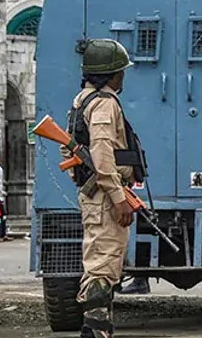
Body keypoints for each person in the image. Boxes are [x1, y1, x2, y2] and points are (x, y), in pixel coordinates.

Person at [63, 39, 140, 338]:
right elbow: (104, 152)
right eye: (120, 71)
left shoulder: (82, 100)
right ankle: (96, 332)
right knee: (102, 267)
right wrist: (119, 197)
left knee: (101, 263)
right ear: (110, 74)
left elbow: (69, 150)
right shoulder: (104, 104)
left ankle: (98, 329)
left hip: (97, 193)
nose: (123, 77)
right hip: (106, 196)